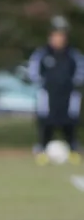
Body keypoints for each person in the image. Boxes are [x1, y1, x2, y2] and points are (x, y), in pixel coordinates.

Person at [28, 20, 84, 165]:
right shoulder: (42, 54)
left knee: (70, 123)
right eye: (55, 36)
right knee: (46, 122)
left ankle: (73, 151)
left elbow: (80, 73)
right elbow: (34, 73)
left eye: (61, 36)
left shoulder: (73, 55)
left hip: (68, 95)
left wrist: (70, 84)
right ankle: (42, 152)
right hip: (48, 94)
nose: (58, 39)